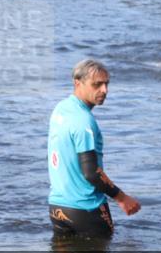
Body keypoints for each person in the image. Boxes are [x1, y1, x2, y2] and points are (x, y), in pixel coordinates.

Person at [48, 59, 141, 238]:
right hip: (86, 209)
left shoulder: (61, 109)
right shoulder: (84, 120)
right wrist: (122, 198)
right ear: (77, 83)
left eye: (106, 84)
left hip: (57, 208)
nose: (104, 90)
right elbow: (91, 172)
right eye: (97, 84)